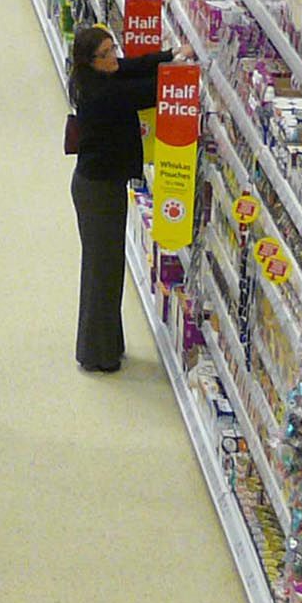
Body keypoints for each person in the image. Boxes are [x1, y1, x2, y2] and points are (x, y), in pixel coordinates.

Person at [66, 26, 185, 373]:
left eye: (112, 48)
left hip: (101, 186)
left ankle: (107, 345)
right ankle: (95, 354)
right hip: (97, 191)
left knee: (105, 269)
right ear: (91, 61)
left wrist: (172, 55)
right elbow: (143, 91)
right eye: (105, 53)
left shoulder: (99, 76)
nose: (113, 56)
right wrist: (181, 78)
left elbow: (134, 65)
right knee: (102, 272)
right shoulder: (102, 93)